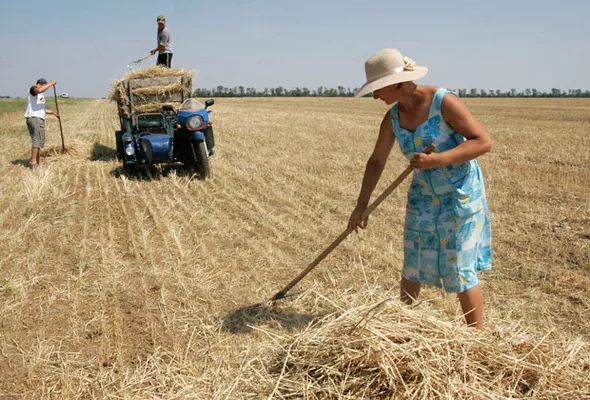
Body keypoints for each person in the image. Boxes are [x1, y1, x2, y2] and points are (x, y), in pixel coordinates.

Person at [348, 49, 493, 329]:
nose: (375, 96)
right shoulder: (393, 117)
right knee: (413, 261)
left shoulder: (444, 102)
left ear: (396, 84)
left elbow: (482, 142)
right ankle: (403, 326)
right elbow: (376, 161)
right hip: (423, 196)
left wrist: (438, 160)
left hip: (459, 194)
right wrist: (360, 206)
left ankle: (477, 339)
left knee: (459, 265)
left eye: (377, 89)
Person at [23, 78, 60, 167]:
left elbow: (41, 109)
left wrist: (53, 113)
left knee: (40, 140)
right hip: (34, 118)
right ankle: (33, 161)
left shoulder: (40, 95)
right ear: (42, 84)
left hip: (39, 118)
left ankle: (38, 160)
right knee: (37, 139)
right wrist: (51, 84)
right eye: (44, 85)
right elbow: (39, 90)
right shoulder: (33, 89)